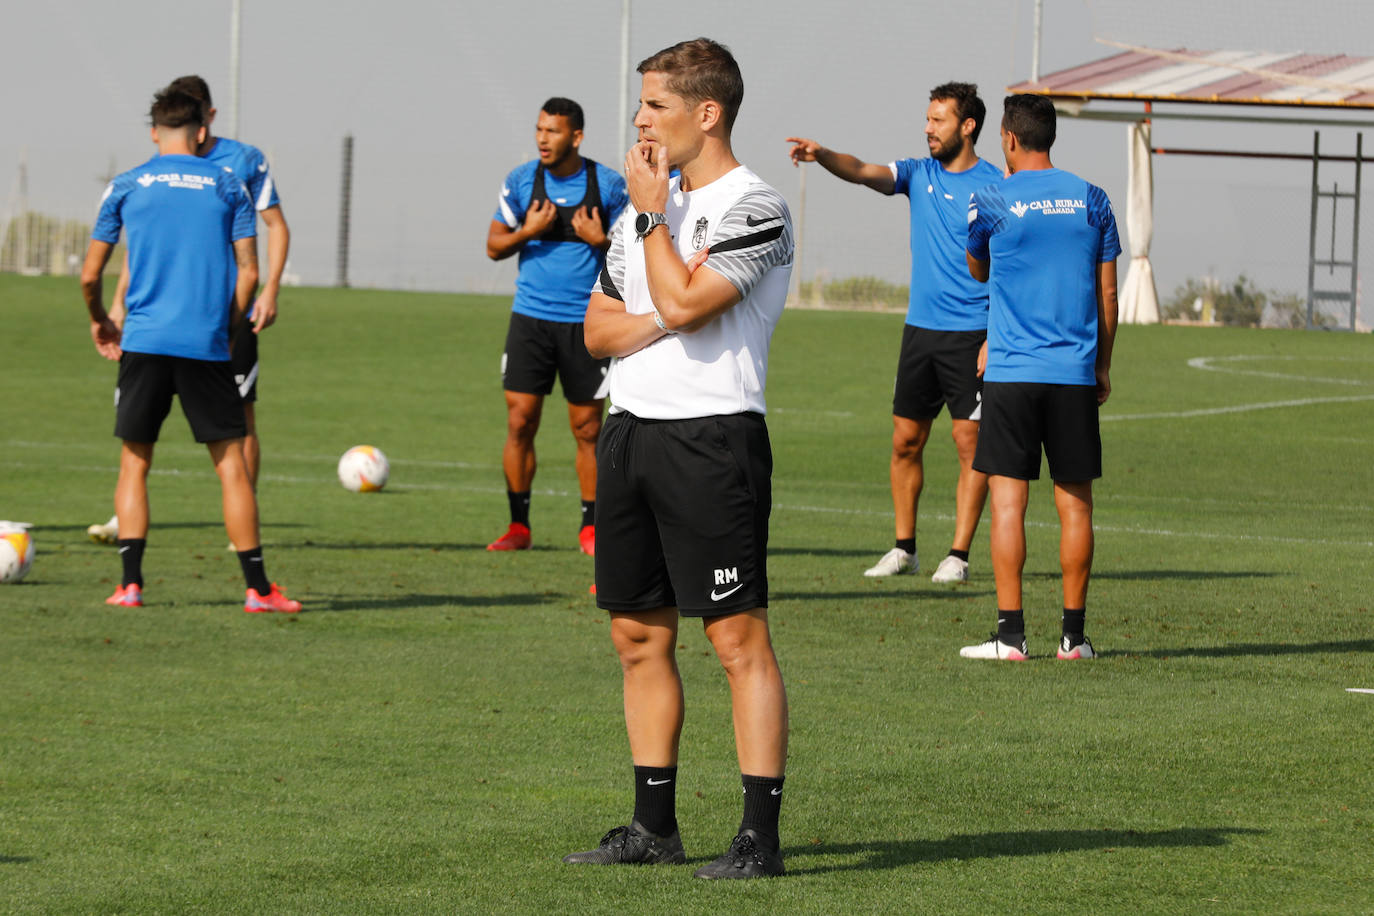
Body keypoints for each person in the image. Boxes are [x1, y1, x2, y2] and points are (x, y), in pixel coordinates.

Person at [561, 38, 792, 879]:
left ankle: (757, 840)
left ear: (707, 113)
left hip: (713, 439)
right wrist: (666, 302)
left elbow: (696, 300)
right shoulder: (635, 215)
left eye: (654, 105)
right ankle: (653, 826)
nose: (638, 120)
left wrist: (659, 230)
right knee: (635, 635)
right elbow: (598, 333)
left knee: (736, 641)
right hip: (631, 432)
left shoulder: (754, 205)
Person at [80, 86, 301, 614]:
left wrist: (101, 321)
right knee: (230, 465)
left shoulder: (127, 185)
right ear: (201, 131)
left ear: (154, 132)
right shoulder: (229, 185)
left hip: (144, 341)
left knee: (135, 461)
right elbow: (248, 268)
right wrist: (226, 327)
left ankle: (130, 585)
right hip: (205, 344)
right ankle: (258, 590)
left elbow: (90, 273)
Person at [786, 82, 1001, 584]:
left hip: (973, 333)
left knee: (970, 444)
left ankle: (959, 555)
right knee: (906, 440)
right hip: (920, 331)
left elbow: (1010, 265)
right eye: (927, 119)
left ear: (967, 126)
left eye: (938, 120)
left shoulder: (996, 185)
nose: (928, 128)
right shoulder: (917, 174)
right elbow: (862, 171)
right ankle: (904, 548)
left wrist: (997, 336)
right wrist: (821, 156)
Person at [961, 93, 1120, 660]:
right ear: (1050, 136)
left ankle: (1010, 637)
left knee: (1009, 506)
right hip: (1074, 373)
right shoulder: (1093, 200)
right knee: (1076, 507)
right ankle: (1074, 639)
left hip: (1010, 372)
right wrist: (1101, 364)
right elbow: (1107, 294)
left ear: (1007, 138)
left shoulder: (991, 198)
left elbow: (977, 267)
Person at [485, 98, 629, 555]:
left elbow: (638, 254)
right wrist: (527, 231)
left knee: (588, 428)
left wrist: (599, 240)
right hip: (530, 320)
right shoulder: (521, 181)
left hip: (586, 324)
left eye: (553, 131)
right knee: (520, 421)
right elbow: (493, 246)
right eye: (539, 129)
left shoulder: (607, 186)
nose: (542, 139)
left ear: (577, 136)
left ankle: (591, 528)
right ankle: (518, 525)